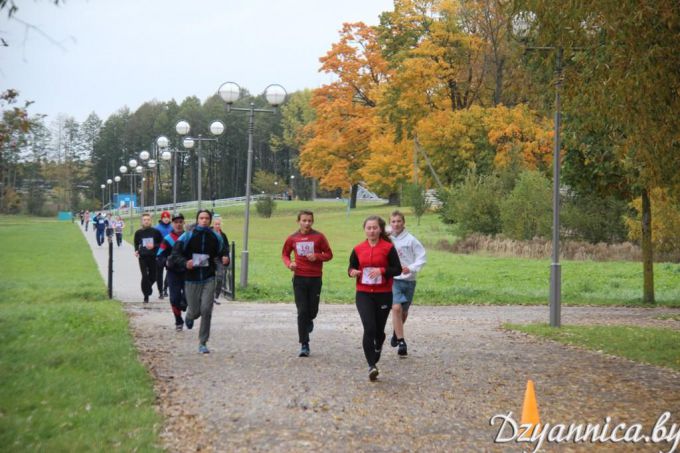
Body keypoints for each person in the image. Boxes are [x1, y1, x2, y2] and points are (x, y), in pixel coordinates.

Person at [348, 215, 402, 381]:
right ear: (365, 230)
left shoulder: (387, 248)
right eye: (368, 228)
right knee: (369, 328)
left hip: (383, 294)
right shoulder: (358, 249)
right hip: (363, 293)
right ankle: (372, 365)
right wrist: (352, 272)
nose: (371, 231)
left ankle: (379, 345)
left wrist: (382, 271)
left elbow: (397, 269)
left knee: (379, 331)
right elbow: (351, 267)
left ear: (380, 229)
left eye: (374, 228)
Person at [170, 210, 229, 354]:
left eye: (207, 218)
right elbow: (175, 255)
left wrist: (226, 258)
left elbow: (223, 251)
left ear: (209, 221)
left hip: (209, 277)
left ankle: (203, 342)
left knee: (207, 310)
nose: (204, 221)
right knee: (195, 311)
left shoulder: (215, 236)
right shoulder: (188, 235)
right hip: (191, 279)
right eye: (201, 218)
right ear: (197, 220)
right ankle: (189, 316)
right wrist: (186, 263)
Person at [281, 210, 333, 357]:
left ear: (313, 221)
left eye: (309, 220)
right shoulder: (293, 238)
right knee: (302, 311)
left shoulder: (319, 237)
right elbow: (285, 254)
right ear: (298, 221)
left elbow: (329, 254)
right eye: (304, 220)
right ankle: (304, 344)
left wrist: (317, 256)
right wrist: (289, 263)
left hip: (315, 278)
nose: (307, 223)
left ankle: (310, 320)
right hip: (299, 278)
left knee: (312, 311)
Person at [388, 211, 427, 357]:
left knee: (403, 312)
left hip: (409, 280)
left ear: (404, 223)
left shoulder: (411, 240)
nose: (396, 224)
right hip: (394, 279)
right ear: (390, 223)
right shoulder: (387, 238)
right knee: (396, 308)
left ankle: (396, 332)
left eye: (399, 221)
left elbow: (422, 258)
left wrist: (410, 268)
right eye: (393, 221)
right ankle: (402, 342)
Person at [158, 213, 187, 330]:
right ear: (172, 224)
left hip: (187, 272)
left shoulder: (188, 237)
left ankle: (184, 307)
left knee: (186, 299)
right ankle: (178, 320)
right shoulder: (167, 239)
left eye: (180, 222)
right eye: (176, 222)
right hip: (173, 272)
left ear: (183, 223)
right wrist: (166, 262)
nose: (178, 224)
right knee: (174, 298)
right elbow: (159, 256)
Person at [134, 213, 163, 303]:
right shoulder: (138, 232)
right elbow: (136, 242)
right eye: (144, 220)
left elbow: (161, 243)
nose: (146, 221)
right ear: (142, 221)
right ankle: (146, 296)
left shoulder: (156, 232)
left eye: (148, 219)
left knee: (153, 276)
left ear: (151, 221)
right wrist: (136, 250)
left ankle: (147, 288)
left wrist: (154, 245)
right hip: (142, 257)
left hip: (153, 257)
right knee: (145, 276)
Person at [212, 216, 231, 304]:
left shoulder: (223, 235)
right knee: (210, 278)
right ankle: (210, 296)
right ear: (213, 224)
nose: (217, 225)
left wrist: (226, 256)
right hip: (210, 259)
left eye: (218, 224)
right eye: (216, 224)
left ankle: (216, 294)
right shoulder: (209, 233)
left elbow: (226, 247)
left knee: (220, 276)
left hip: (219, 259)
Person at [154, 211, 173, 299]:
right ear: (161, 218)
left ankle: (166, 288)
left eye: (167, 217)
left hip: (170, 253)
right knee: (159, 273)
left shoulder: (172, 228)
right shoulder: (156, 228)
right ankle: (160, 291)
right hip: (160, 253)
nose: (166, 219)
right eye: (164, 217)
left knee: (170, 271)